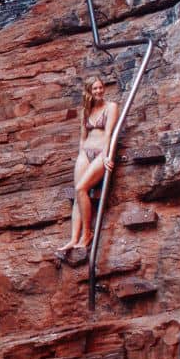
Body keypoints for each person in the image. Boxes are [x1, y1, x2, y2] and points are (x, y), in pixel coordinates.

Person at [60, 76, 117, 251]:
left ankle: (87, 234)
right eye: (95, 89)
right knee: (78, 197)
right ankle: (73, 239)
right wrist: (80, 156)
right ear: (89, 91)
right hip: (85, 153)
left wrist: (107, 156)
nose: (99, 91)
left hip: (101, 153)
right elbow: (82, 138)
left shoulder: (111, 107)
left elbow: (109, 134)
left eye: (100, 87)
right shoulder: (85, 110)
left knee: (81, 189)